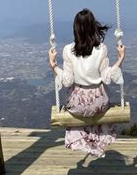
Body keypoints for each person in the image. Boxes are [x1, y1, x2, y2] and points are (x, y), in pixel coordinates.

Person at [48, 8, 126, 157]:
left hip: (77, 104)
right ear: (92, 27)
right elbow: (107, 78)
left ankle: (83, 140)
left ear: (75, 29)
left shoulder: (68, 50)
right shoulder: (101, 49)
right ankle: (96, 140)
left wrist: (54, 65)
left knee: (72, 98)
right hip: (99, 103)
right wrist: (121, 58)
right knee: (98, 107)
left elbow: (67, 81)